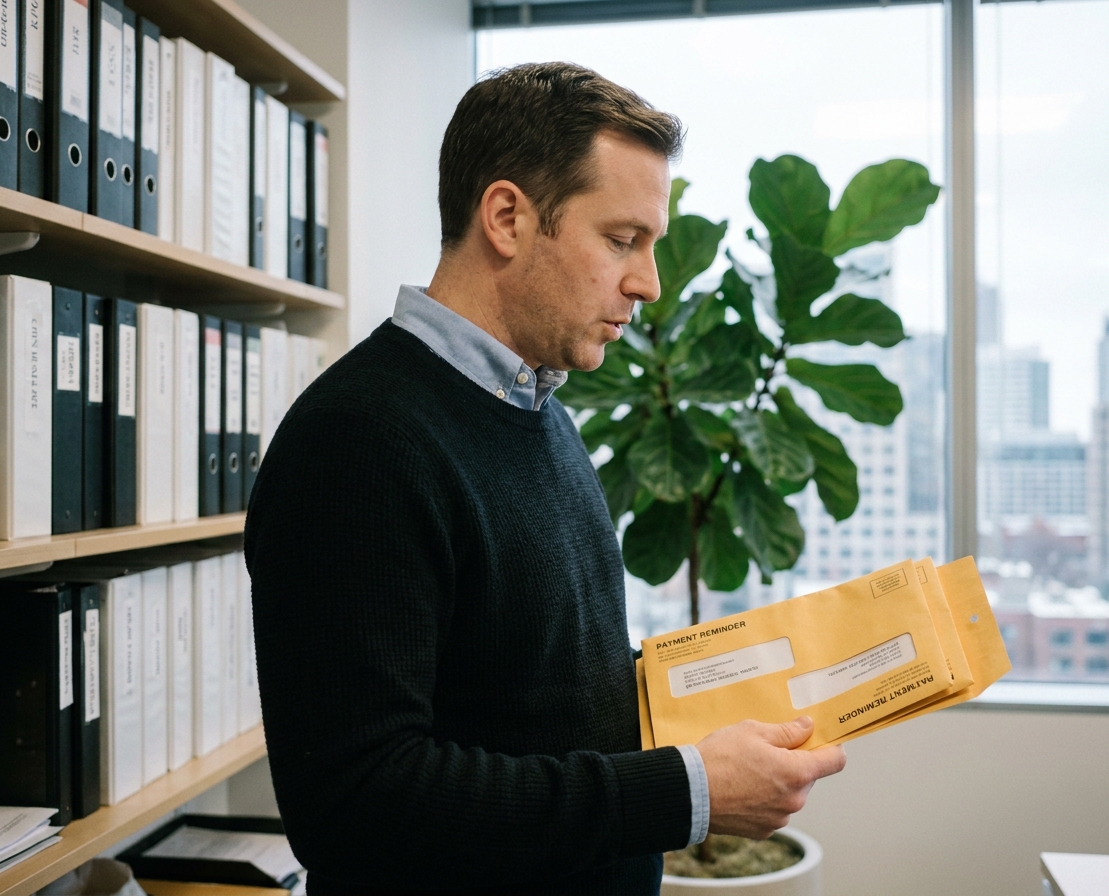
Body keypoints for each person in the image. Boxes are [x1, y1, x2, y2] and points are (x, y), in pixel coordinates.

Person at [244, 62, 846, 895]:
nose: (648, 284)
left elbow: (543, 687)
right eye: (622, 240)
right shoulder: (358, 441)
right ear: (506, 218)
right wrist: (689, 790)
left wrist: (719, 696)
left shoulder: (540, 413)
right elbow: (357, 802)